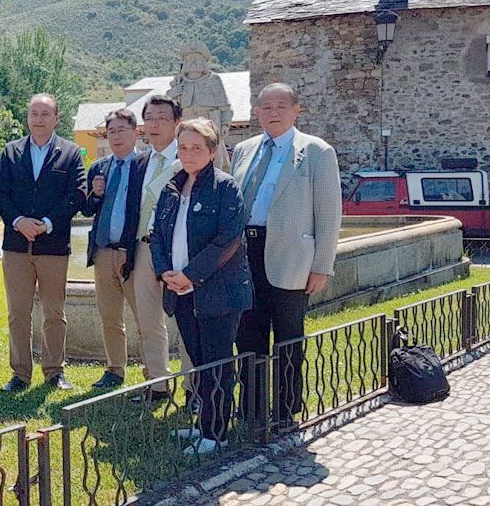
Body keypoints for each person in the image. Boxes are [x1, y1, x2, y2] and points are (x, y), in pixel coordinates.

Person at [232, 83, 342, 428]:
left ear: (297, 110)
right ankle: (250, 406)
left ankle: (285, 408)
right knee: (248, 334)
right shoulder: (244, 150)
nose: (273, 113)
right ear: (256, 113)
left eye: (281, 106)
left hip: (292, 257)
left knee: (288, 335)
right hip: (246, 253)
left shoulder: (316, 152)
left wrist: (322, 265)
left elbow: (329, 213)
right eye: (266, 107)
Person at [151, 119, 251, 456]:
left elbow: (228, 240)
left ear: (211, 151)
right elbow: (158, 236)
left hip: (217, 292)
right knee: (199, 360)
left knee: (217, 363)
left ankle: (216, 432)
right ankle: (205, 423)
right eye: (183, 147)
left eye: (197, 147)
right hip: (179, 291)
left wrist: (191, 275)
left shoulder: (225, 187)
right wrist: (165, 270)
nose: (189, 153)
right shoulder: (171, 187)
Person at [0, 93, 87, 391]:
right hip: (17, 247)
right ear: (27, 117)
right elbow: (0, 194)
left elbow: (77, 195)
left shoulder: (71, 153)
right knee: (18, 312)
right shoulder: (11, 151)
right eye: (34, 113)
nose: (38, 119)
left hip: (53, 246)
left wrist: (46, 224)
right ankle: (20, 374)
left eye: (45, 114)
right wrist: (18, 221)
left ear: (57, 118)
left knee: (54, 313)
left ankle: (54, 371)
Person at [129, 94, 192, 401]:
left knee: (186, 319)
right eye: (150, 118)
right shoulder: (140, 161)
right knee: (149, 321)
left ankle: (194, 387)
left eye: (162, 118)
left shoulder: (188, 158)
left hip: (178, 251)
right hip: (144, 249)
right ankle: (158, 385)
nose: (154, 124)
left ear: (176, 123)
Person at [81, 109, 142, 389]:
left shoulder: (145, 165)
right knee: (109, 316)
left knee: (145, 317)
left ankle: (154, 374)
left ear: (135, 133)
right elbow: (87, 209)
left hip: (135, 253)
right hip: (104, 251)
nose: (116, 136)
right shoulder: (99, 167)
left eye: (121, 130)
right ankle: (115, 369)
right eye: (111, 131)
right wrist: (95, 193)